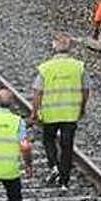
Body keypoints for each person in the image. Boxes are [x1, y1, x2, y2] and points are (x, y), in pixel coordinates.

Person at [29, 34, 88, 188]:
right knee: (67, 145)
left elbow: (37, 91)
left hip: (50, 113)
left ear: (54, 47)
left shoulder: (46, 67)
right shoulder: (78, 67)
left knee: (48, 140)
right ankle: (64, 180)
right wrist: (82, 107)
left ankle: (53, 166)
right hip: (70, 113)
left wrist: (35, 110)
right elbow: (86, 89)